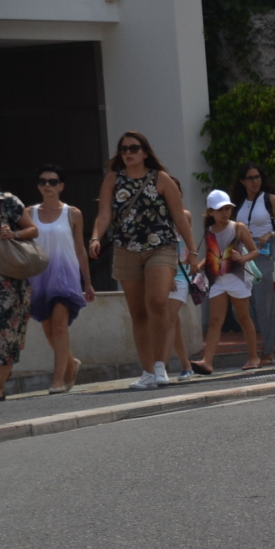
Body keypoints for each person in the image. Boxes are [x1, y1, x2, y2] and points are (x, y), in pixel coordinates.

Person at [89, 131, 198, 390]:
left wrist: (193, 252)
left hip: (160, 246)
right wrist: (95, 237)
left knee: (157, 302)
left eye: (134, 148)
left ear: (145, 152)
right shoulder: (113, 180)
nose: (128, 152)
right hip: (126, 248)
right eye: (123, 148)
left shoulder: (161, 178)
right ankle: (147, 371)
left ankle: (160, 366)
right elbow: (104, 215)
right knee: (138, 312)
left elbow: (180, 218)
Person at [28, 165, 94, 393]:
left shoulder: (72, 213)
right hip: (39, 277)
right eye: (42, 181)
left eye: (53, 181)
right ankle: (70, 362)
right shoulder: (29, 213)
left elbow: (80, 249)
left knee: (59, 326)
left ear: (61, 186)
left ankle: (58, 379)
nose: (47, 185)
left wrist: (87, 280)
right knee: (48, 328)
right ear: (38, 185)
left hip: (65, 274)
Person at [191, 190, 260, 375]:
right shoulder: (208, 231)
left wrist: (242, 257)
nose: (225, 212)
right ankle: (207, 361)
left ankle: (253, 356)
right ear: (210, 212)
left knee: (244, 317)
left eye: (228, 208)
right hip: (218, 280)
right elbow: (212, 255)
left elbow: (254, 251)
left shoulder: (238, 228)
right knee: (215, 320)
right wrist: (198, 266)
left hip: (237, 278)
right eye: (221, 209)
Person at [233, 163, 275, 365]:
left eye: (258, 177)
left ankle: (268, 350)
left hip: (266, 253)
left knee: (265, 303)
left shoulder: (269, 199)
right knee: (244, 304)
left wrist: (271, 233)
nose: (255, 181)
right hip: (244, 255)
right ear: (242, 181)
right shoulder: (239, 203)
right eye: (250, 178)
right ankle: (259, 344)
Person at [0, 162, 38, 401]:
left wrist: (14, 234)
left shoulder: (7, 202)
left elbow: (33, 230)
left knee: (6, 336)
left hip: (7, 282)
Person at [161, 205, 195, 383]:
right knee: (174, 321)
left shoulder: (184, 215)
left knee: (169, 318)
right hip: (164, 271)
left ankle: (161, 367)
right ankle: (186, 365)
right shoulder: (157, 216)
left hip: (181, 273)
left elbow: (187, 243)